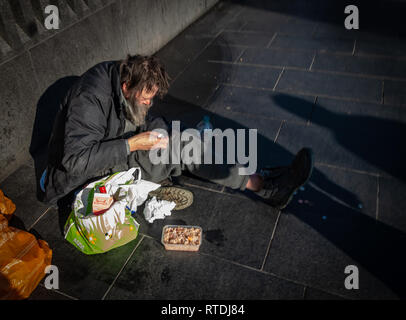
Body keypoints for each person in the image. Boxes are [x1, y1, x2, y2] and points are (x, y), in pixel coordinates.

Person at [42, 54, 313, 210]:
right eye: (145, 98)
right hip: (81, 180)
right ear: (126, 87)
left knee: (178, 136)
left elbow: (146, 119)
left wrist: (157, 131)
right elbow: (74, 161)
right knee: (185, 146)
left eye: (151, 97)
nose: (148, 103)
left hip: (111, 149)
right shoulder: (89, 99)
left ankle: (246, 171)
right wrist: (133, 144)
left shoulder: (126, 77)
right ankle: (264, 187)